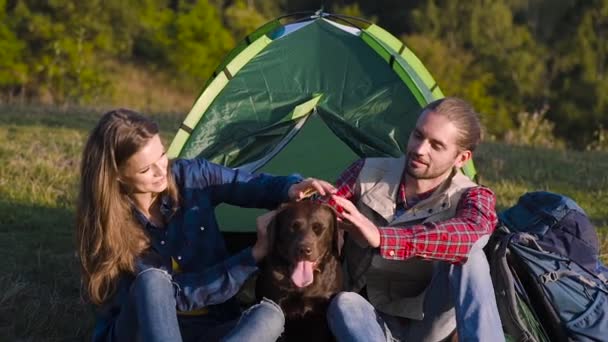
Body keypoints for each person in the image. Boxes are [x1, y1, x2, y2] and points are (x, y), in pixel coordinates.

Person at [75, 108, 335, 342]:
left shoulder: (191, 176)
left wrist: (291, 188)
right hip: (142, 331)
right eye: (146, 170)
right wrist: (252, 256)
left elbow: (247, 184)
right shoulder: (109, 227)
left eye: (162, 156)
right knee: (153, 281)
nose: (160, 171)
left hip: (211, 325)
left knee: (270, 316)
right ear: (118, 175)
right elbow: (178, 297)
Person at [326, 97, 504, 341]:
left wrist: (382, 238)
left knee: (471, 256)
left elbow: (469, 233)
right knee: (344, 303)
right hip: (368, 316)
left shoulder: (473, 196)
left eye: (436, 145)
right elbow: (320, 214)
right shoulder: (364, 172)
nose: (420, 149)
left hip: (427, 322)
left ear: (461, 158)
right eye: (418, 135)